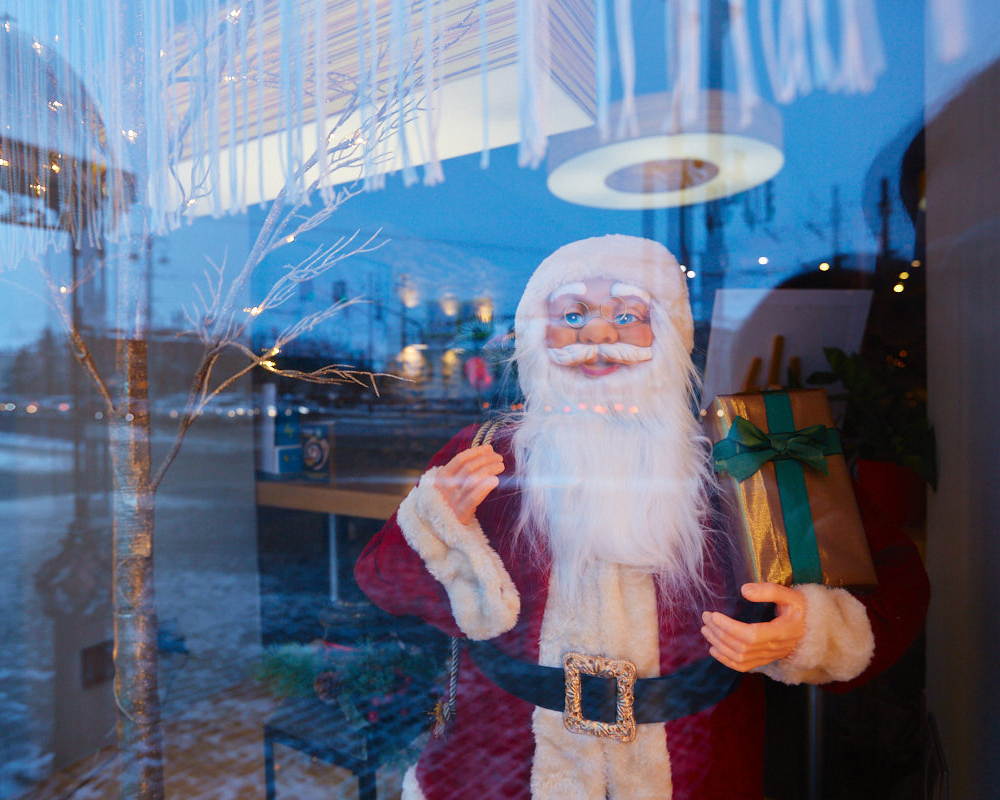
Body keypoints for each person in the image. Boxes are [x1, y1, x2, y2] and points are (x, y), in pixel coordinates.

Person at [354, 235, 929, 800]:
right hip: (502, 768)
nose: (600, 335)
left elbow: (897, 583)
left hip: (695, 766)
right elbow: (381, 579)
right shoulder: (485, 454)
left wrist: (806, 629)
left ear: (670, 333)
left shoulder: (747, 452)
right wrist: (437, 526)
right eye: (574, 315)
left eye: (628, 315)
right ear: (538, 335)